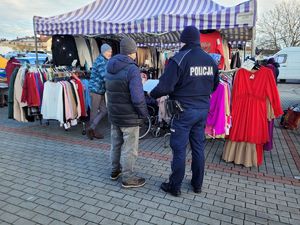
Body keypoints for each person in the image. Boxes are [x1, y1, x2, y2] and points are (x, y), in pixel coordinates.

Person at [150, 26, 219, 196]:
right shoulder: (210, 60)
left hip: (183, 111)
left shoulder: (179, 59)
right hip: (202, 109)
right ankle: (197, 184)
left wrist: (152, 94)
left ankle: (175, 186)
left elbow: (165, 86)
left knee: (179, 148)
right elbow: (215, 85)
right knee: (198, 148)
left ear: (183, 40)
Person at [105, 37, 148, 188]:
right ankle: (128, 178)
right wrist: (143, 114)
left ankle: (114, 171)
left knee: (116, 144)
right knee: (130, 148)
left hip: (115, 114)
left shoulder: (109, 66)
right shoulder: (132, 69)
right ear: (133, 52)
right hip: (129, 116)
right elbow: (137, 98)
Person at [87, 44, 112, 140]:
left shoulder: (105, 60)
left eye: (111, 52)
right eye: (109, 52)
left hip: (100, 90)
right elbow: (105, 76)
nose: (110, 53)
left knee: (104, 110)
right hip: (95, 90)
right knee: (94, 111)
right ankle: (92, 131)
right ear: (103, 52)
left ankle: (91, 128)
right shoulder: (101, 61)